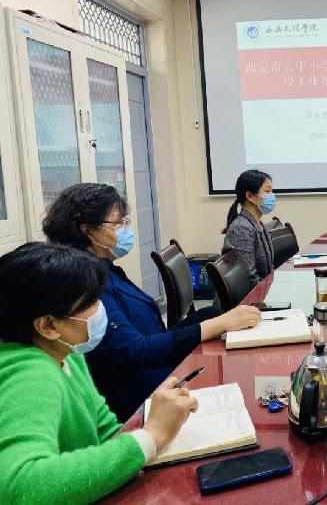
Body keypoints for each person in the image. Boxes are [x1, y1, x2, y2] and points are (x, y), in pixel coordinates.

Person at [43, 183, 261, 421]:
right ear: (87, 231)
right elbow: (136, 350)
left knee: (213, 315)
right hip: (141, 400)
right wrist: (218, 325)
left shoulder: (105, 268)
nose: (126, 230)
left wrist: (216, 320)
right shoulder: (86, 282)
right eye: (117, 224)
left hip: (159, 373)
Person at [0, 243, 198, 504]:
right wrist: (151, 436)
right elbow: (18, 486)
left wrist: (157, 430)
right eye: (91, 303)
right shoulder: (29, 374)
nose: (101, 309)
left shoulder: (68, 353)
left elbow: (105, 433)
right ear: (48, 326)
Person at [222, 169, 276, 286]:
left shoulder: (257, 223)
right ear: (250, 196)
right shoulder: (241, 229)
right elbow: (249, 279)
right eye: (267, 191)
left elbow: (268, 268)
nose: (272, 195)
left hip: (265, 287)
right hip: (252, 295)